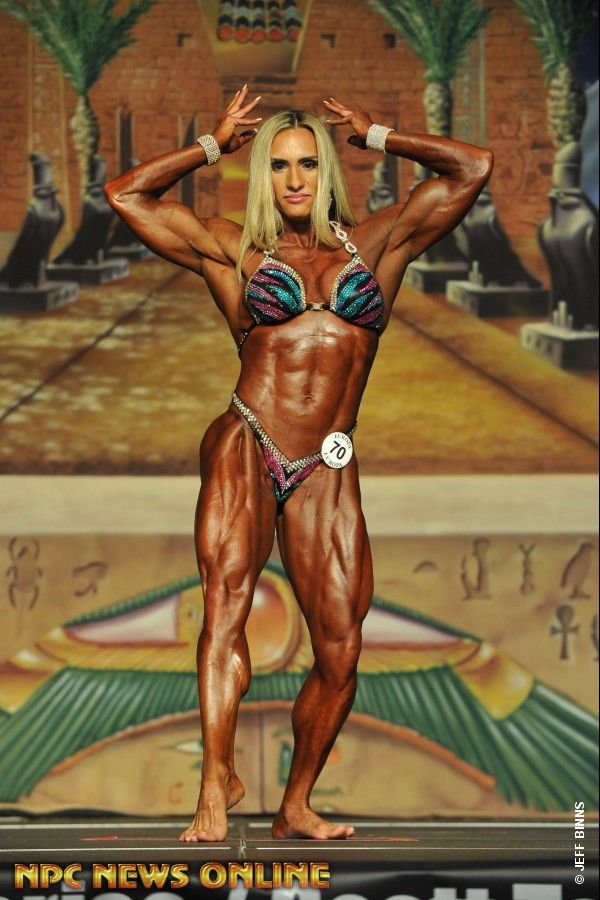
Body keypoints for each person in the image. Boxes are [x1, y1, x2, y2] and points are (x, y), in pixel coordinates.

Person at [105, 85, 493, 841]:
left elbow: (472, 168)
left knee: (341, 648)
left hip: (325, 461)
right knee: (226, 607)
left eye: (308, 163)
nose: (293, 179)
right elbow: (126, 194)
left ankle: (296, 804)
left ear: (326, 171)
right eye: (278, 165)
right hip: (250, 439)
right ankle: (212, 786)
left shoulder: (375, 245)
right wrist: (211, 145)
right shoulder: (236, 250)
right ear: (262, 175)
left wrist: (379, 135)